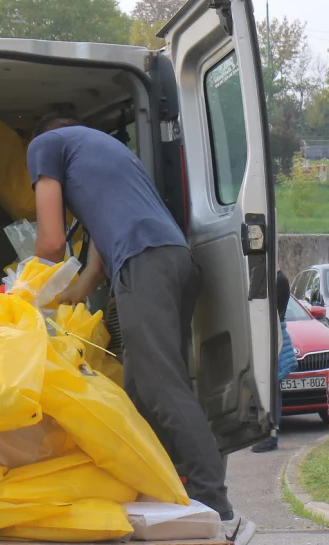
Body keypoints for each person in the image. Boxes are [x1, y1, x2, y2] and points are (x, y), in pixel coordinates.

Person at [25, 112, 254, 544]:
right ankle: (159, 498)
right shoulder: (106, 155)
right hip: (174, 260)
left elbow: (52, 241)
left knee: (161, 387)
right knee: (138, 394)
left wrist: (28, 288)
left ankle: (219, 509)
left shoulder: (45, 146)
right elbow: (97, 252)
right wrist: (72, 295)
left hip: (143, 262)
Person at [252, 270, 296, 453]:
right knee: (272, 391)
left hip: (273, 339)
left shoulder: (274, 280)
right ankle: (268, 434)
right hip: (277, 336)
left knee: (270, 392)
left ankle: (270, 436)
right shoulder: (280, 278)